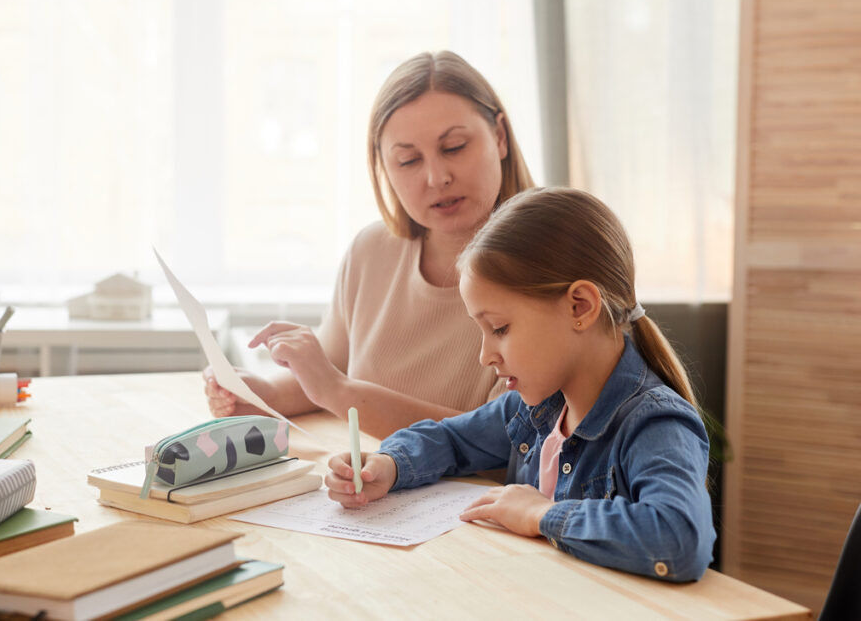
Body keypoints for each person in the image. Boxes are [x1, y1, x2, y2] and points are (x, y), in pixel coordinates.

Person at [325, 187, 716, 581]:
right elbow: (452, 440)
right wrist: (388, 466)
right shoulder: (535, 409)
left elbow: (678, 539)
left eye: (500, 328)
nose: (485, 355)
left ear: (579, 306)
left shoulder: (656, 424)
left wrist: (541, 514)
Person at [204, 51, 536, 438]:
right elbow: (330, 374)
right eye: (408, 160)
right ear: (383, 167)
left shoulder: (544, 269)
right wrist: (264, 394)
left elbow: (505, 440)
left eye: (454, 147)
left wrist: (336, 390)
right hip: (365, 485)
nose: (436, 177)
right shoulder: (372, 252)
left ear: (499, 136)